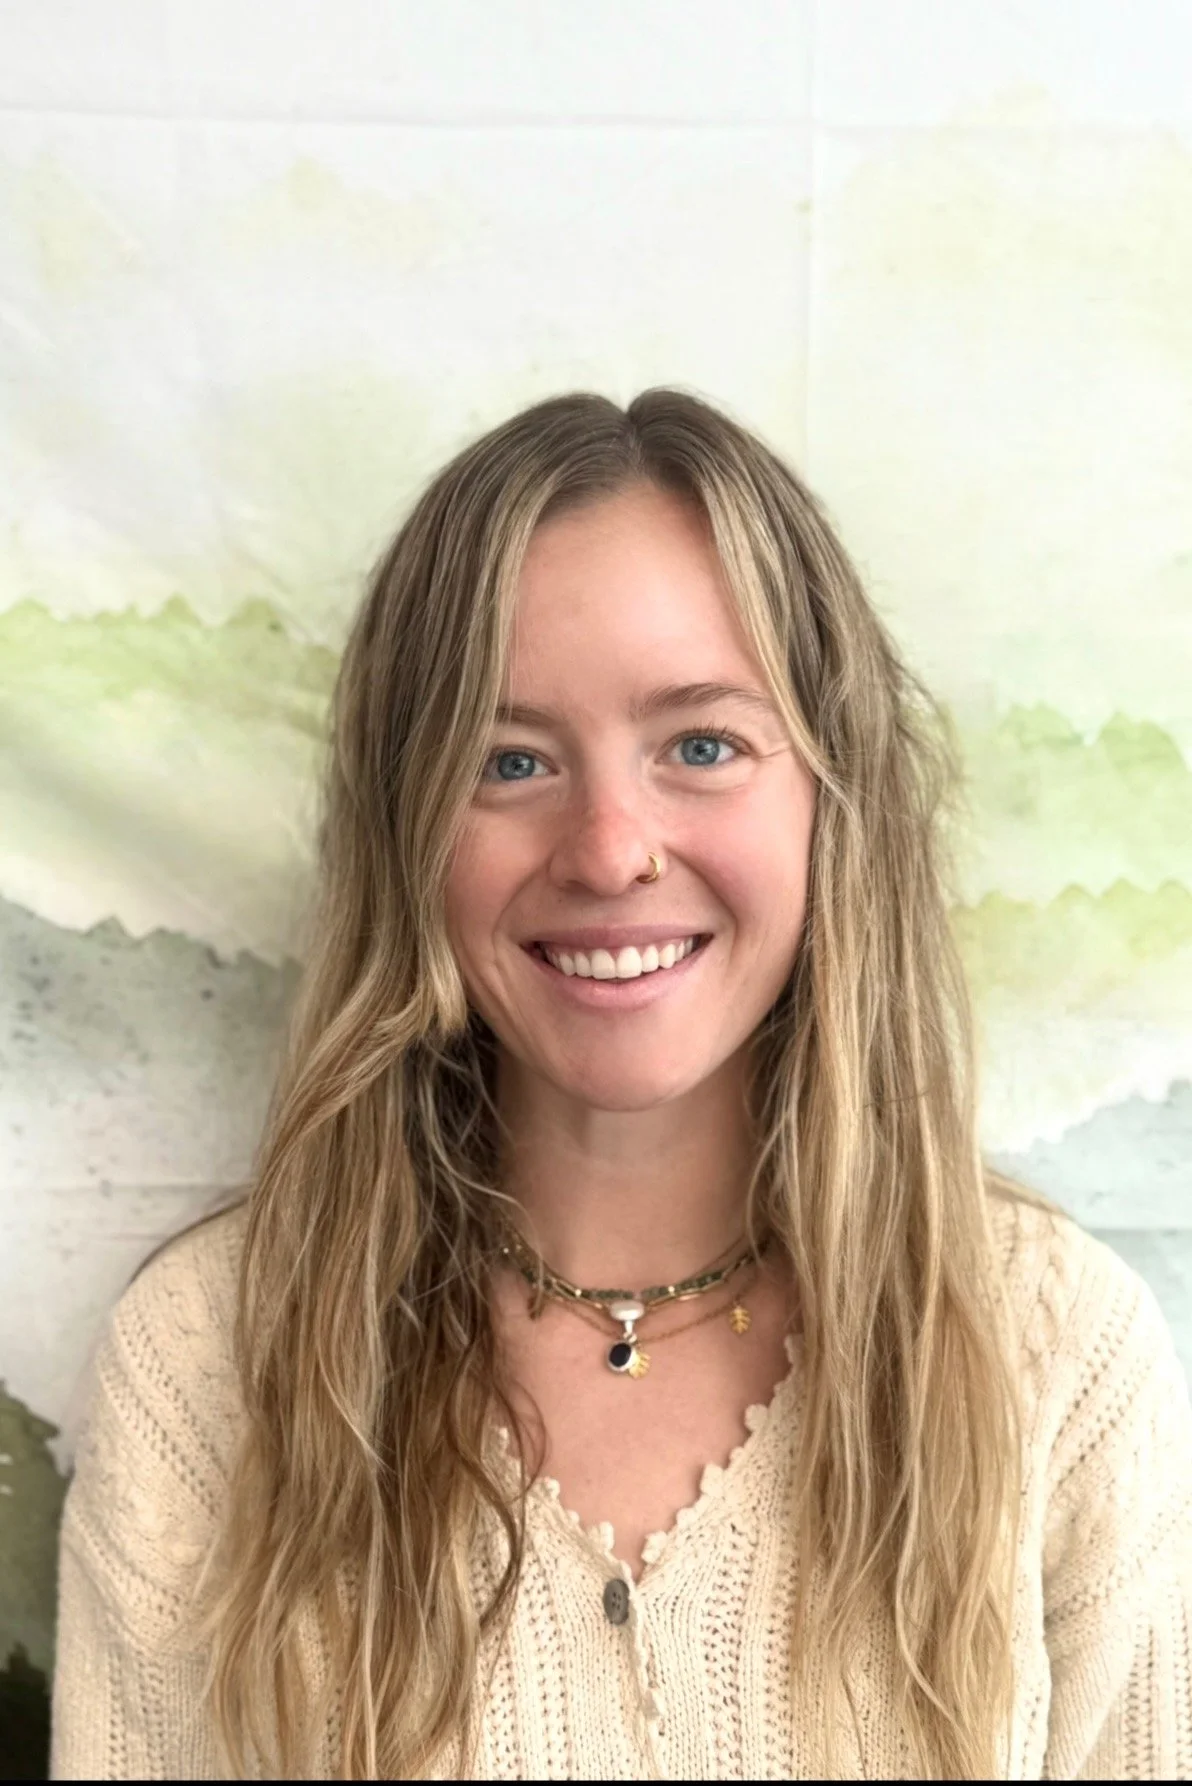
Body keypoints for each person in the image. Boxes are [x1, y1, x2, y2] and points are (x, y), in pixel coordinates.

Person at [51, 390, 1192, 1780]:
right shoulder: (214, 1364)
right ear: (409, 827)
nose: (608, 848)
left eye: (701, 744)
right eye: (508, 758)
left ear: (834, 798)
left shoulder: (1051, 1356)